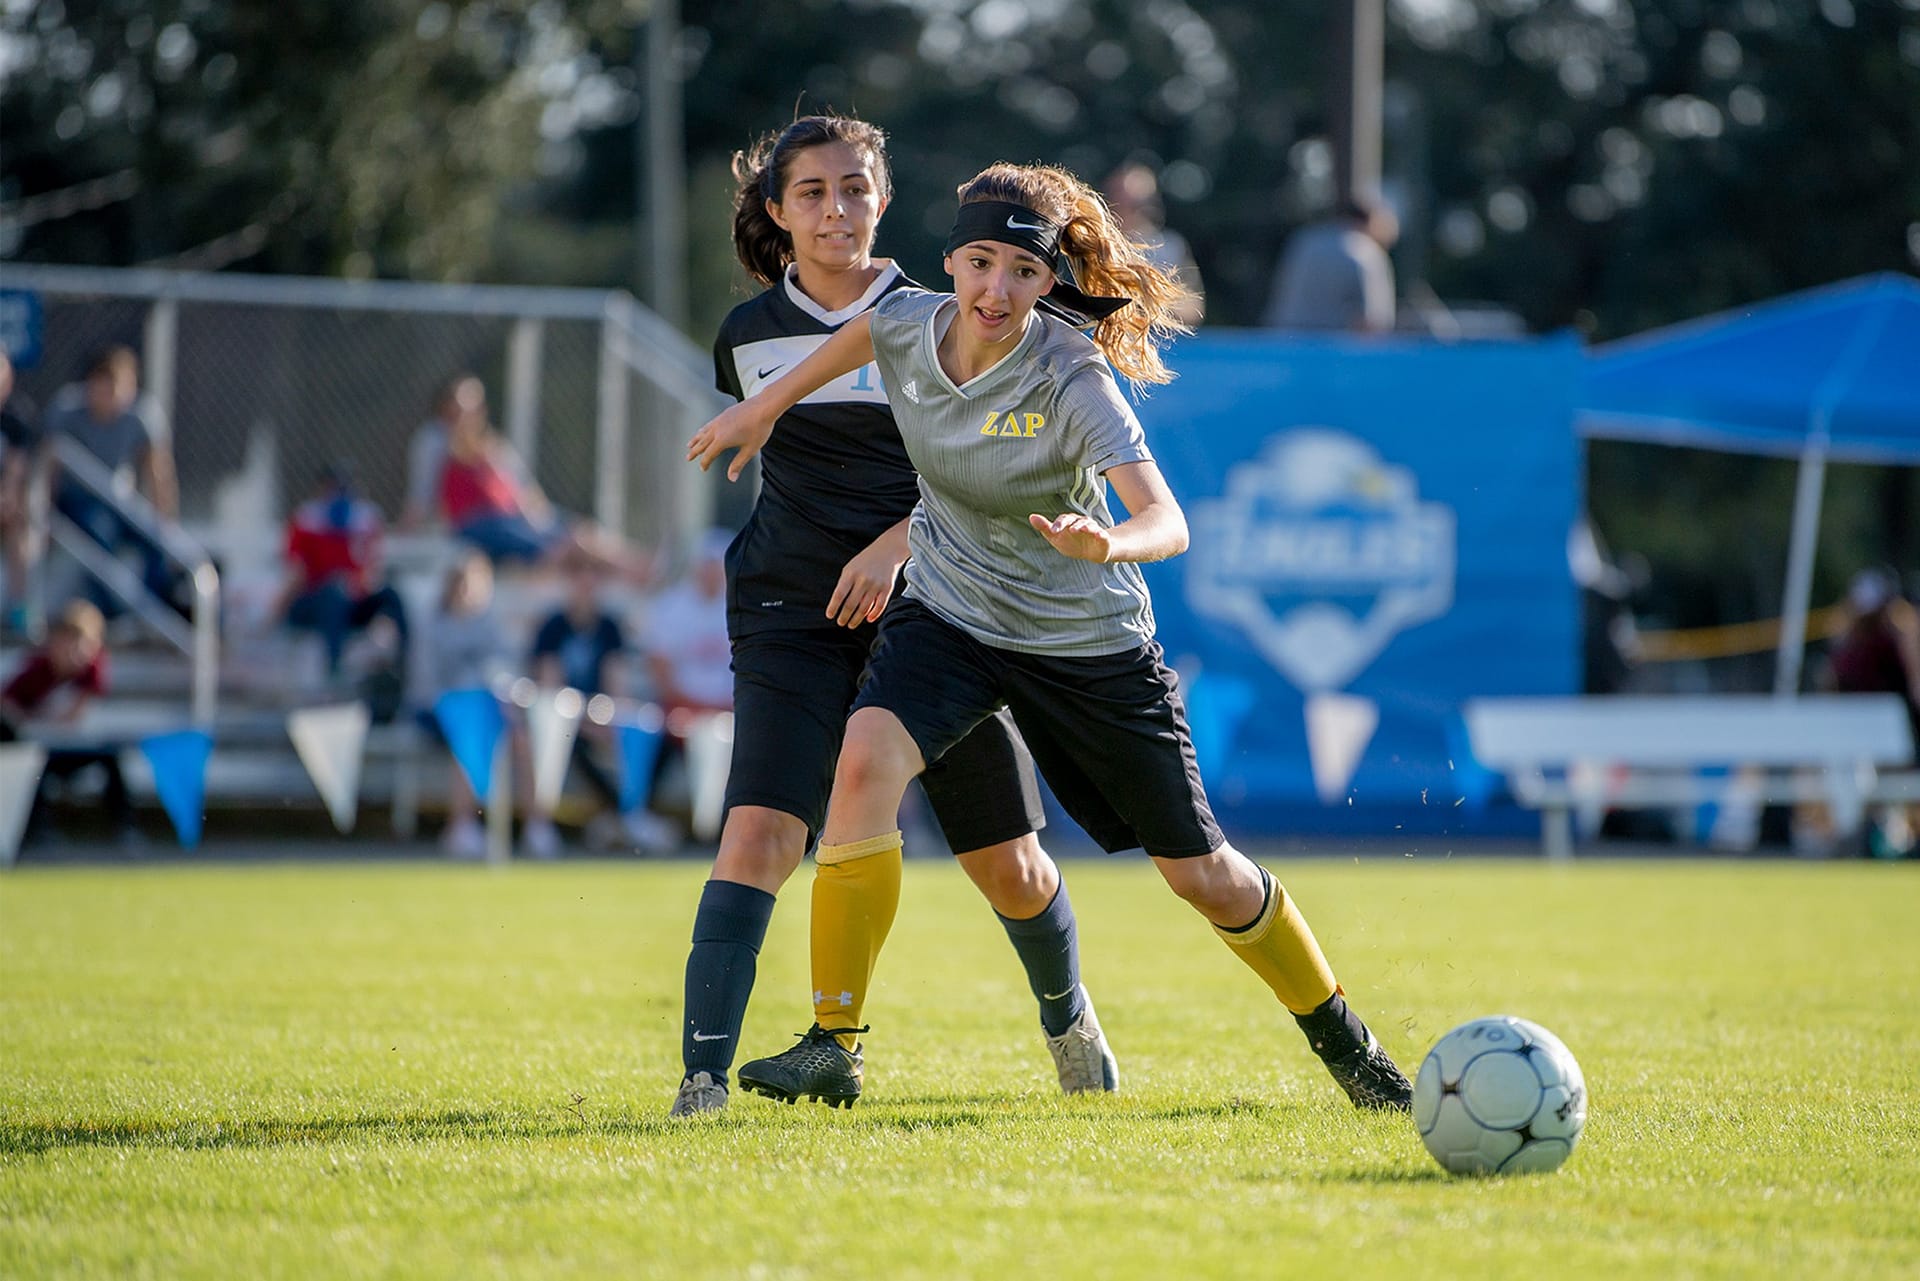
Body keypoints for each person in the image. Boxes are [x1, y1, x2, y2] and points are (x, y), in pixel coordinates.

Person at [692, 160, 1413, 1112]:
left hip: (1084, 638)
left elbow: (1170, 520)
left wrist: (1108, 538)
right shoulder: (910, 319)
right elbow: (866, 332)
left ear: (1047, 282)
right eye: (980, 263)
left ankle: (1349, 1045)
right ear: (949, 261)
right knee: (863, 762)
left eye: (1022, 273)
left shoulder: (1074, 371)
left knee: (1202, 875)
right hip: (950, 612)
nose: (996, 290)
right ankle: (835, 1040)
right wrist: (764, 403)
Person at [665, 115, 1117, 1118]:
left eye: (856, 188)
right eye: (815, 192)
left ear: (884, 198)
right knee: (758, 838)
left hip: (945, 606)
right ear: (778, 212)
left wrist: (897, 543)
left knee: (1006, 862)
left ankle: (1070, 1018)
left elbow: (1003, 473)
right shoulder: (745, 336)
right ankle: (700, 1084)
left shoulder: (949, 313)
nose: (838, 209)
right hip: (789, 609)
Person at [435, 380, 652, 584]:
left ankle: (641, 565)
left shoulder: (493, 446)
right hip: (485, 524)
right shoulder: (439, 444)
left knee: (582, 533)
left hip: (515, 517)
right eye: (460, 410)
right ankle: (638, 571)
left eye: (473, 409)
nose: (467, 417)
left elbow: (521, 488)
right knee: (565, 547)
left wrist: (534, 510)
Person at [40, 345, 182, 614]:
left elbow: (158, 471)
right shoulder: (67, 410)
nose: (112, 395)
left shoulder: (140, 414)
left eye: (119, 386)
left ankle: (154, 615)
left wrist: (165, 522)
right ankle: (112, 616)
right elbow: (49, 467)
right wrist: (43, 511)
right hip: (77, 502)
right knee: (99, 537)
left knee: (155, 544)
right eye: (105, 385)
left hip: (118, 501)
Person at [419, 550, 539, 859]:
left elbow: (507, 668)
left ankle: (536, 824)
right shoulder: (434, 623)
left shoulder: (492, 623)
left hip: (487, 706)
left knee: (520, 737)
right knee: (467, 733)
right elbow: (427, 680)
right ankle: (460, 823)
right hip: (441, 708)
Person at [1, 599, 137, 847]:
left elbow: (72, 718)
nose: (75, 653)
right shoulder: (37, 671)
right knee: (34, 771)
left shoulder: (92, 670)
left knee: (111, 758)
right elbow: (7, 704)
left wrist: (39, 716)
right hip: (44, 748)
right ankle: (40, 831)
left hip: (75, 745)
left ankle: (125, 828)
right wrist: (30, 719)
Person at [274, 462, 409, 694]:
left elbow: (371, 571)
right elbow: (296, 575)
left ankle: (403, 667)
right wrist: (274, 614)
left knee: (392, 595)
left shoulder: (365, 520)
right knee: (334, 593)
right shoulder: (307, 520)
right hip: (313, 605)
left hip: (353, 603)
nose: (337, 494)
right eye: (331, 488)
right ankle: (334, 672)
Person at [1262, 194, 1399, 334]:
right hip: (1333, 349)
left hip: (1284, 342)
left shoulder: (1305, 240)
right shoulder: (1366, 253)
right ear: (1372, 223)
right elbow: (1375, 321)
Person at [1102, 162, 1205, 328]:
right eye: (1115, 198)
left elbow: (1193, 309)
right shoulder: (1092, 246)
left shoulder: (1170, 248)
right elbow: (1068, 306)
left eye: (1131, 203)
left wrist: (1149, 297)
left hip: (1160, 345)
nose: (1120, 208)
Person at [1, 350, 44, 636]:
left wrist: (6, 497)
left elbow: (17, 468)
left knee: (20, 529)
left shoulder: (17, 415)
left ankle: (20, 608)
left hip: (5, 507)